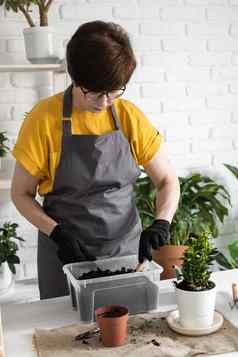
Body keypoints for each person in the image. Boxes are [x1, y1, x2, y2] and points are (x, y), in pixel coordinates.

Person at [11, 21, 180, 299]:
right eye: (94, 92)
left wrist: (162, 221)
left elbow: (167, 180)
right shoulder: (44, 119)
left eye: (114, 91)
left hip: (125, 253)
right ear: (75, 77)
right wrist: (56, 233)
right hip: (64, 254)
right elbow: (21, 194)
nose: (104, 103)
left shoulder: (129, 116)